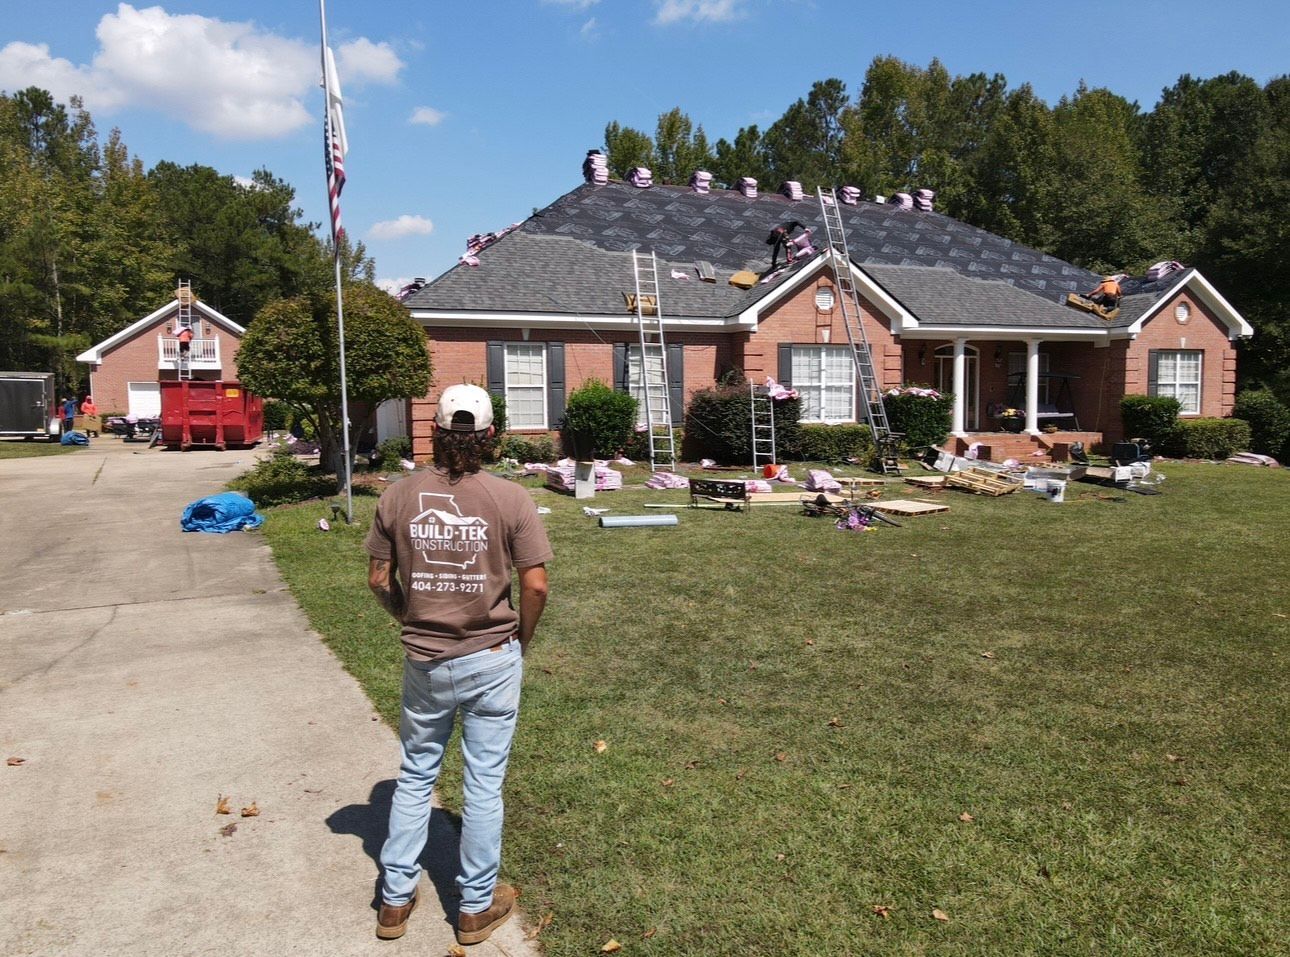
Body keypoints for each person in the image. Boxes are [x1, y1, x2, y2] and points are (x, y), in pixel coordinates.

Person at [365, 384, 552, 944]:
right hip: (492, 658)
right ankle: (474, 906)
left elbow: (378, 578)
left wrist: (406, 614)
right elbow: (536, 583)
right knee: (483, 784)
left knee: (417, 774)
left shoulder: (397, 497)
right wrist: (522, 637)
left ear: (435, 432)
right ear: (490, 436)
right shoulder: (510, 499)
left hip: (425, 661)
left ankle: (394, 901)